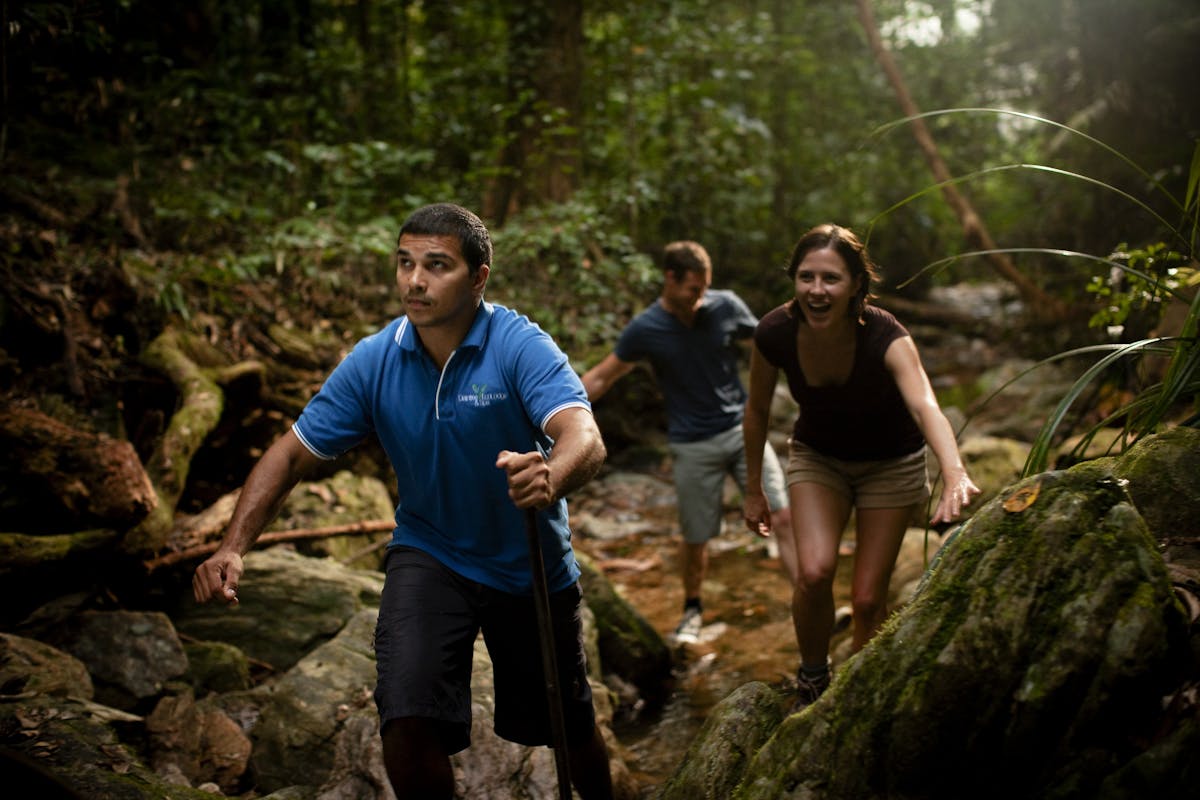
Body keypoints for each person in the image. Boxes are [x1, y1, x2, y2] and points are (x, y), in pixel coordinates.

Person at [193, 203, 614, 800]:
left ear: (478, 277)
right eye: (405, 263)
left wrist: (551, 472)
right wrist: (232, 548)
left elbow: (585, 436)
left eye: (436, 265)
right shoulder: (375, 359)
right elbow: (290, 454)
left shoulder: (519, 345)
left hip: (527, 564)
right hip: (430, 551)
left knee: (568, 727)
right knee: (407, 717)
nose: (415, 281)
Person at [742, 223, 980, 710]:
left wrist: (953, 470)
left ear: (856, 285)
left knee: (869, 600)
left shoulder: (886, 334)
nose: (816, 290)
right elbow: (757, 411)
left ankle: (858, 701)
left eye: (830, 279)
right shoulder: (774, 333)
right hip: (818, 459)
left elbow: (925, 405)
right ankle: (813, 679)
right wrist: (752, 488)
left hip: (891, 466)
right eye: (806, 277)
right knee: (813, 572)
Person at [581, 240, 794, 645]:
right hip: (691, 443)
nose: (700, 299)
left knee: (781, 515)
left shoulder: (725, 306)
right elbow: (603, 376)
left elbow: (770, 344)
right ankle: (692, 608)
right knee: (697, 538)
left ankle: (808, 594)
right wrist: (555, 407)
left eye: (705, 289)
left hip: (742, 430)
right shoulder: (646, 328)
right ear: (670, 279)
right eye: (692, 290)